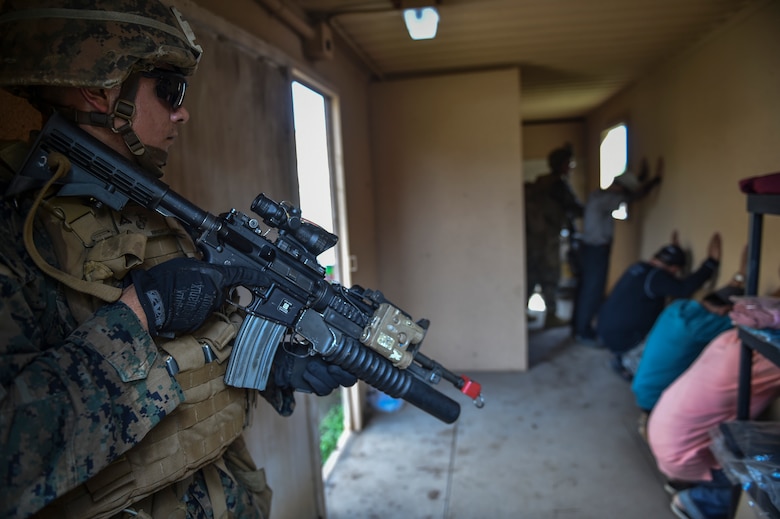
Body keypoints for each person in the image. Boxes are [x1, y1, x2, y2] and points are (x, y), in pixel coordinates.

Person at [0, 2, 357, 518]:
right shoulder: (17, 230)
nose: (182, 111)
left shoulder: (148, 211)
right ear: (101, 91)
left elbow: (191, 357)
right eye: (169, 90)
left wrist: (280, 366)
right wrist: (140, 315)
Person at [646, 328, 780, 519]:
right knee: (767, 480)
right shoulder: (764, 362)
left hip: (663, 436)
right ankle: (697, 501)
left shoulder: (732, 338)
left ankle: (690, 481)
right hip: (682, 457)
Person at [631, 247, 747, 415]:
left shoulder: (677, 308)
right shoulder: (701, 328)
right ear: (723, 310)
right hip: (657, 401)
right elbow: (750, 320)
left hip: (641, 387)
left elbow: (722, 297)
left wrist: (739, 276)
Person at [596, 231, 721, 380]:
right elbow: (684, 288)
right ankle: (628, 365)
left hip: (604, 329)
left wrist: (673, 249)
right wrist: (711, 263)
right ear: (674, 269)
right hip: (624, 339)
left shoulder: (639, 267)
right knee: (667, 348)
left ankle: (620, 357)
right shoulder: (655, 277)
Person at [571, 166, 662, 343]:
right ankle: (583, 332)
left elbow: (627, 194)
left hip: (589, 249)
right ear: (620, 187)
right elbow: (633, 197)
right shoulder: (605, 199)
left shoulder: (598, 195)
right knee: (592, 291)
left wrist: (640, 178)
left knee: (587, 290)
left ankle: (579, 327)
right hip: (596, 250)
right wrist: (653, 181)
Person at [525, 143, 583, 326]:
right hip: (547, 239)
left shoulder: (541, 182)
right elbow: (576, 209)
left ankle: (523, 313)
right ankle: (551, 316)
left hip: (532, 238)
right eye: (568, 163)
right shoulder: (558, 185)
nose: (570, 167)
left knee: (532, 275)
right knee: (550, 276)